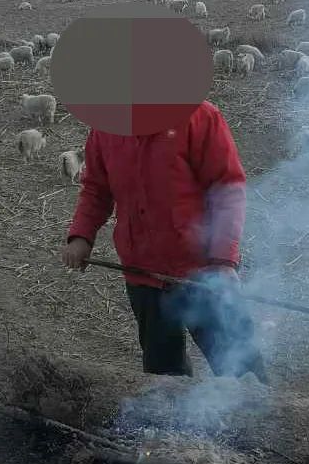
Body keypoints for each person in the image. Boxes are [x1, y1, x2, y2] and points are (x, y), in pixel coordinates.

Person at [60, 100, 268, 383]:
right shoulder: (106, 127)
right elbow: (97, 189)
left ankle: (258, 406)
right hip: (143, 273)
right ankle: (172, 412)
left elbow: (226, 189)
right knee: (164, 376)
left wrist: (223, 260)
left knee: (239, 364)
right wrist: (81, 236)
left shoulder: (199, 116)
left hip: (204, 272)